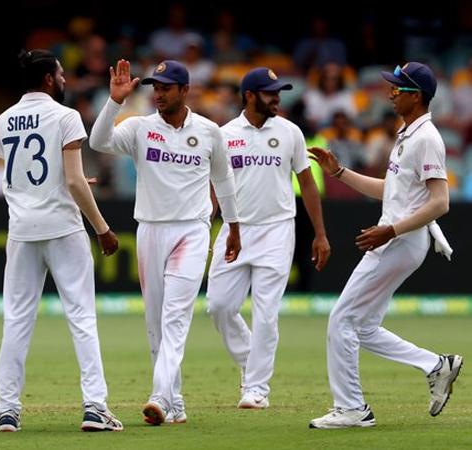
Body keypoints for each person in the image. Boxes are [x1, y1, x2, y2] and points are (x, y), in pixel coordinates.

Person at [308, 62, 463, 429]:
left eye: (399, 88)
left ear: (417, 96)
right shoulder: (407, 133)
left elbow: (440, 202)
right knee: (361, 327)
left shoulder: (426, 138)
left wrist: (391, 230)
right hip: (399, 239)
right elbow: (390, 190)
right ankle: (436, 365)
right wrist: (340, 173)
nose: (391, 92)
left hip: (400, 241)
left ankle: (352, 409)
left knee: (341, 319)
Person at [90, 59, 241, 425]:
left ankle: (159, 394)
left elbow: (224, 181)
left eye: (166, 88)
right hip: (150, 230)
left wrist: (234, 227)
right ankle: (174, 402)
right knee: (156, 322)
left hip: (192, 229)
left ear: (184, 90)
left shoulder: (208, 131)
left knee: (175, 316)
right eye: (155, 88)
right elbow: (98, 141)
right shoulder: (140, 127)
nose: (158, 94)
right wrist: (114, 102)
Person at [0, 49, 123, 433]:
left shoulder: (3, 119)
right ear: (49, 79)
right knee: (82, 317)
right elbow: (70, 179)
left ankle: (8, 410)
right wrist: (101, 227)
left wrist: (77, 186)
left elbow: (26, 174)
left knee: (16, 319)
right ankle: (95, 407)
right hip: (63, 228)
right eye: (62, 74)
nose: (65, 80)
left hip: (22, 229)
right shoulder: (66, 117)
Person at [207, 67, 331, 409]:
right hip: (235, 230)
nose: (277, 97)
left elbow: (307, 182)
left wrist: (320, 233)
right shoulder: (223, 134)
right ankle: (251, 364)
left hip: (277, 230)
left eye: (279, 92)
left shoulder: (291, 132)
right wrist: (206, 225)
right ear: (249, 95)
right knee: (218, 306)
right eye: (269, 92)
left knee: (265, 312)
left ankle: (257, 388)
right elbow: (215, 185)